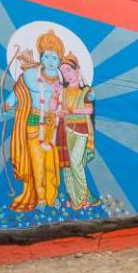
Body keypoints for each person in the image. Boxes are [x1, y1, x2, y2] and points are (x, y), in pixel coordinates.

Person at [3, 29, 65, 211]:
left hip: (52, 127)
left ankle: (51, 196)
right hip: (32, 124)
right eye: (46, 57)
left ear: (60, 61)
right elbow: (17, 92)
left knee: (51, 166)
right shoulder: (31, 75)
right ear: (41, 58)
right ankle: (41, 199)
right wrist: (8, 105)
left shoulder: (62, 81)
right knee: (37, 165)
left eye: (54, 58)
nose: (50, 61)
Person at [57, 53, 100, 209]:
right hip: (66, 131)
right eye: (62, 72)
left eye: (68, 70)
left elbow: (89, 110)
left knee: (76, 163)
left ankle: (82, 199)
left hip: (81, 132)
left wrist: (69, 111)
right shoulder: (62, 91)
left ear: (78, 70)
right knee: (67, 166)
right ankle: (75, 199)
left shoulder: (86, 91)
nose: (65, 75)